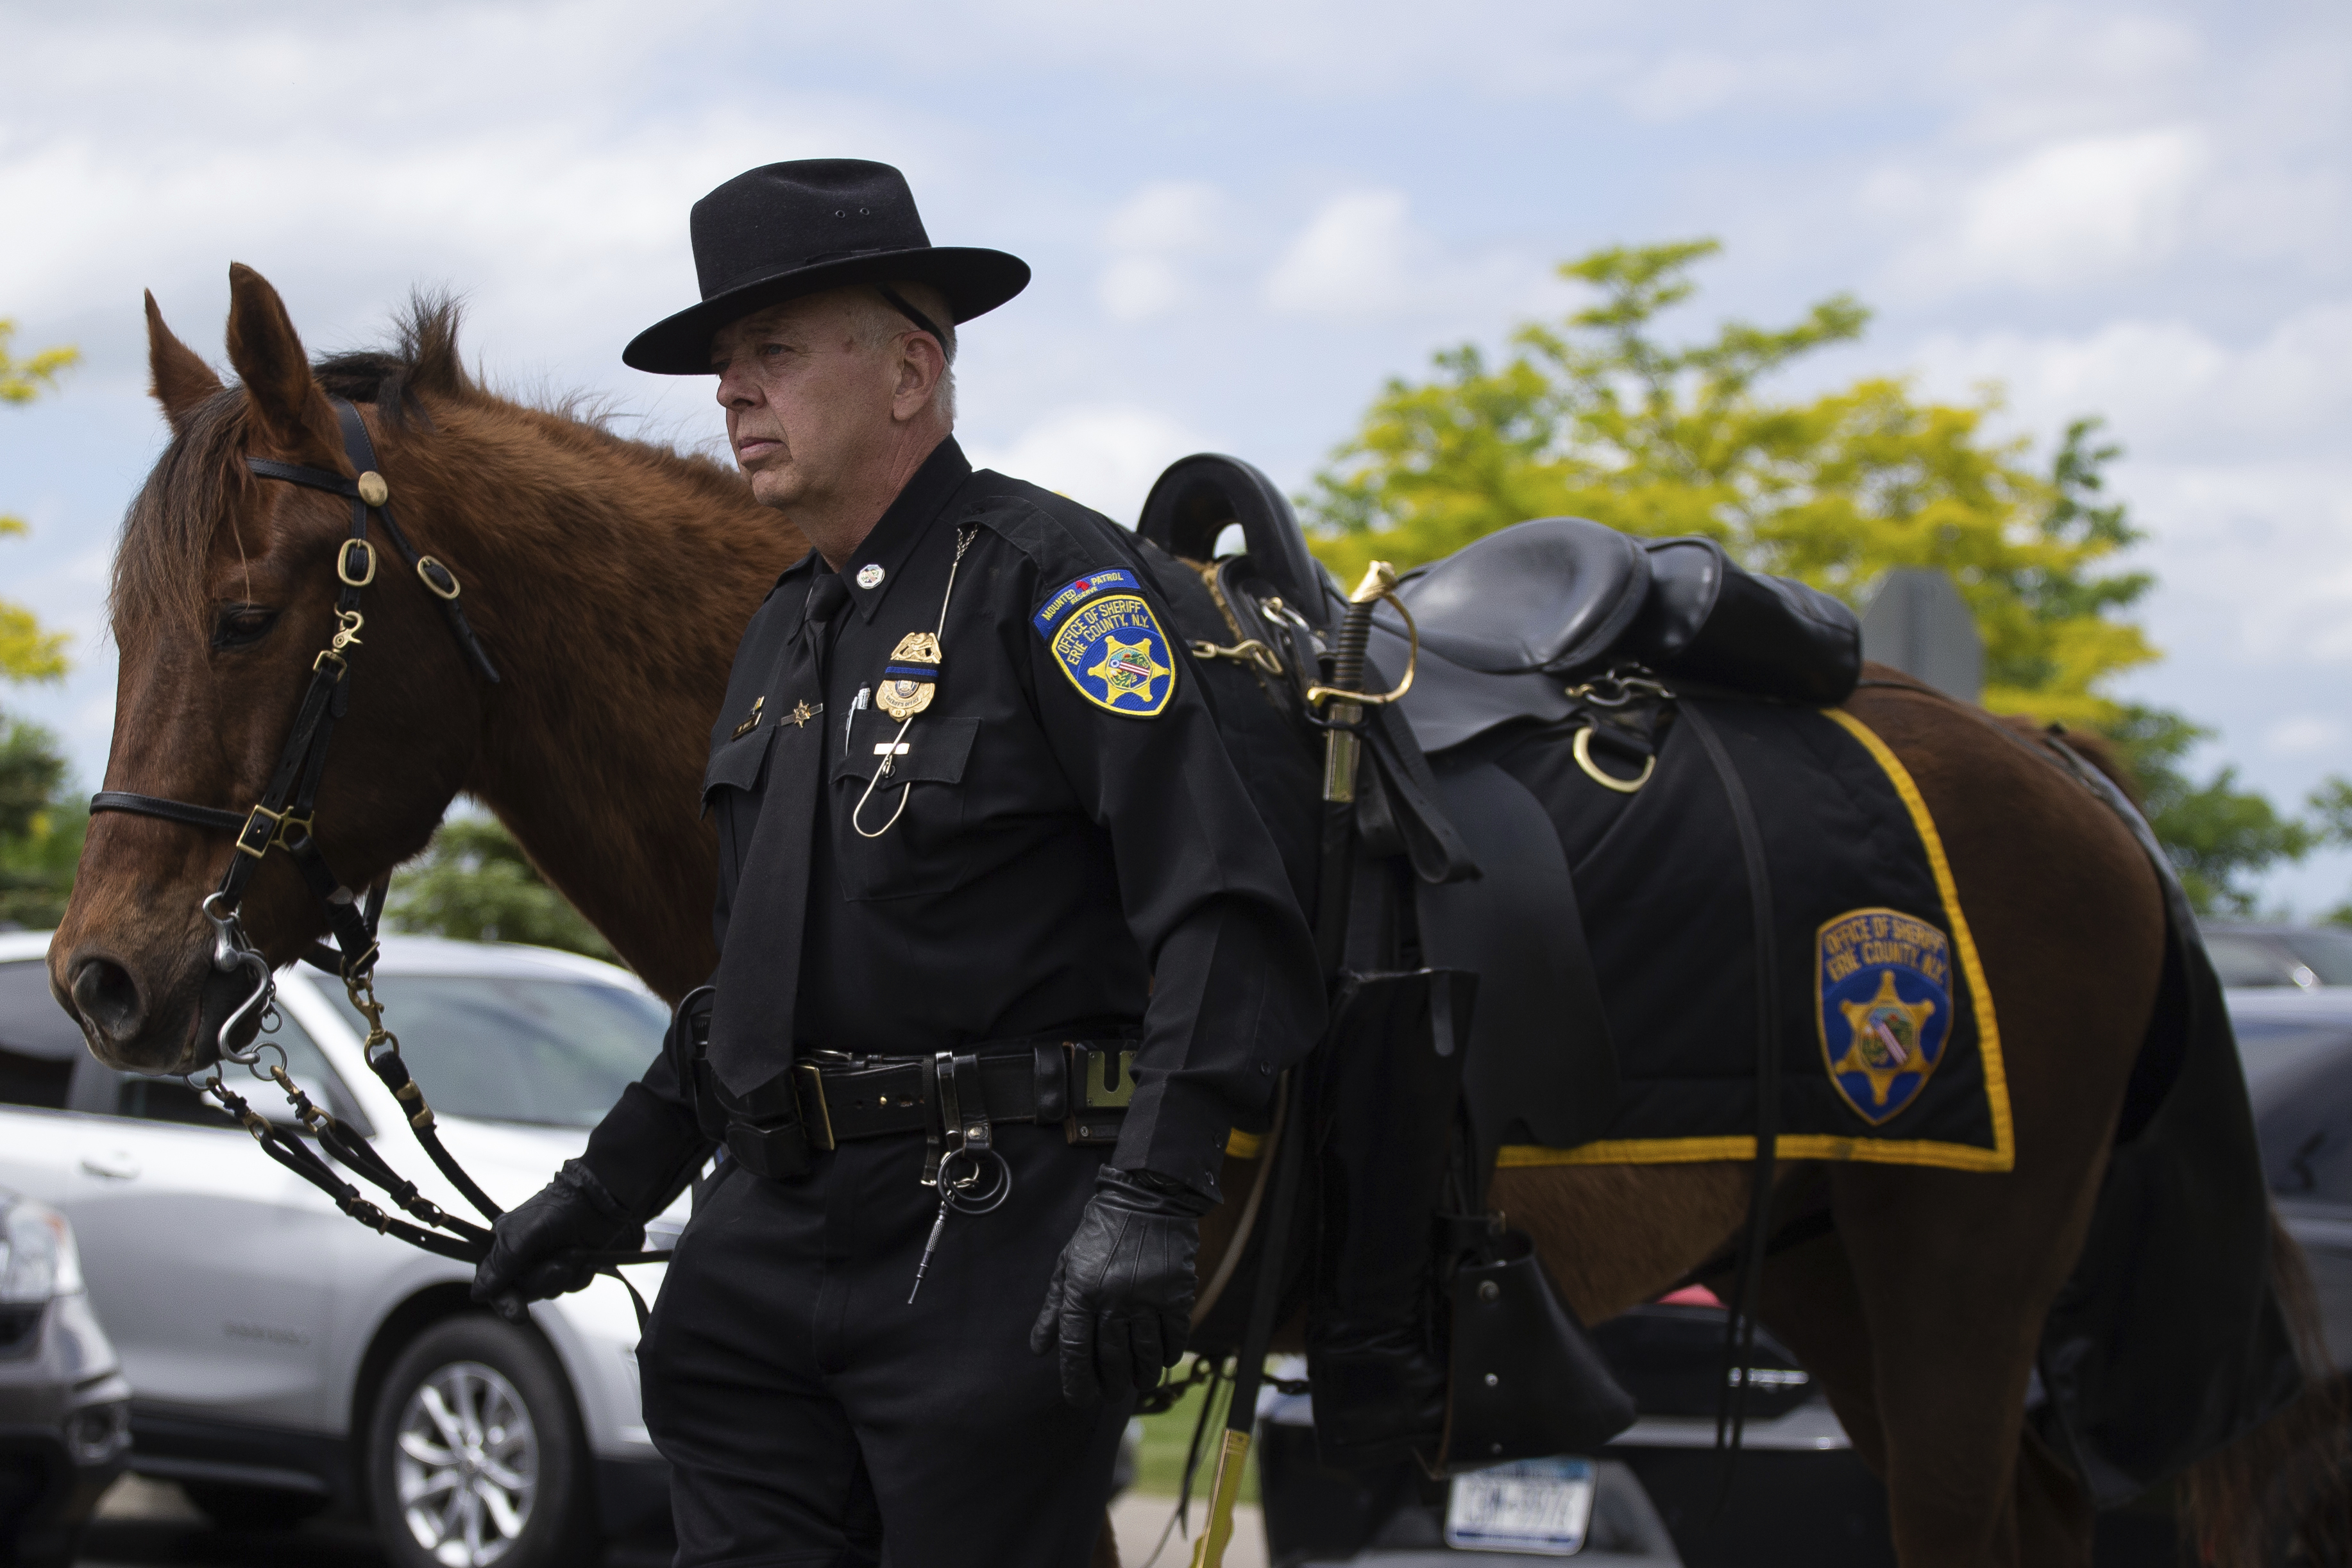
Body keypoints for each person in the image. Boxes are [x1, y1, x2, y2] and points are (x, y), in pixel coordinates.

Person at [471, 158, 1324, 1567]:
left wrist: (1153, 1194)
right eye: (725, 363)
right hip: (763, 1251)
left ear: (911, 372)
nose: (732, 390)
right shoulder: (780, 631)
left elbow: (1224, 912)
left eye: (773, 350)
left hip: (986, 1237)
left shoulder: (1058, 585)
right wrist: (607, 1186)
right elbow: (751, 985)